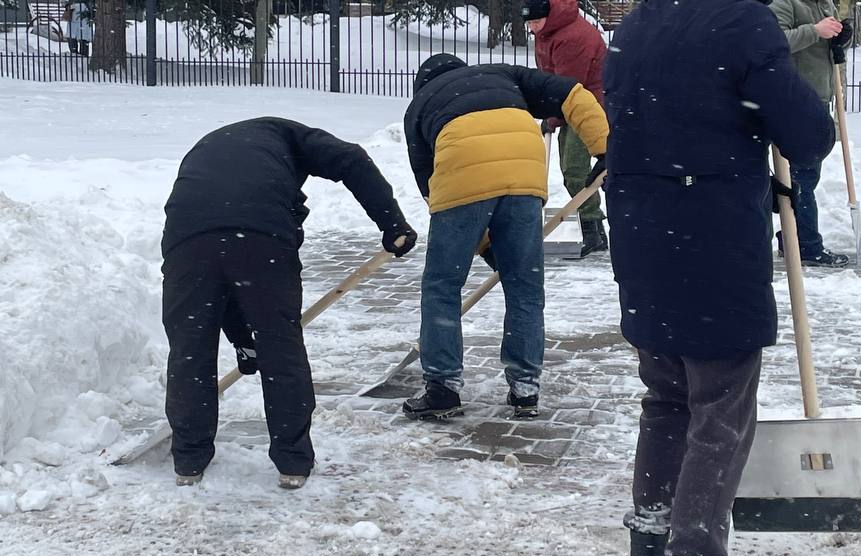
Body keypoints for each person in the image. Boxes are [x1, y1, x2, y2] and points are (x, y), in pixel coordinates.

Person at [604, 0, 835, 556]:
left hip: (644, 248)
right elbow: (805, 133)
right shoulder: (741, 21)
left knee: (666, 402)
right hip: (712, 250)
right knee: (720, 416)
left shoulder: (633, 27)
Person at [161, 117, 416, 489]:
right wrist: (393, 224)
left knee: (190, 348)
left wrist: (245, 343)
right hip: (261, 236)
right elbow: (353, 159)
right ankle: (292, 462)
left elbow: (224, 273)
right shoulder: (296, 138)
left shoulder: (214, 146)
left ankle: (189, 460)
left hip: (187, 240)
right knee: (281, 348)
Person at [403, 55, 608, 421]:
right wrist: (606, 149)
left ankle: (442, 388)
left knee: (442, 287)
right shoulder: (503, 74)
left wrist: (479, 243)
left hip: (460, 167)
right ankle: (525, 388)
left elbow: (433, 188)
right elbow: (574, 94)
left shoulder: (420, 105)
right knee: (524, 288)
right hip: (523, 168)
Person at [768, 0, 853, 268]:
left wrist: (840, 37)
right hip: (793, 99)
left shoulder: (824, 0)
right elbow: (773, 42)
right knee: (801, 176)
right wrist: (815, 31)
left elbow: (824, 42)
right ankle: (806, 245)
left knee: (807, 175)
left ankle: (791, 237)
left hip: (818, 96)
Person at [521, 0, 609, 257]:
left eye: (536, 22)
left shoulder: (572, 38)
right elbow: (551, 77)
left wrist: (552, 115)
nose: (532, 28)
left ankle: (594, 232)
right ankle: (593, 230)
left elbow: (568, 86)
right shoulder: (548, 31)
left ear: (549, 16)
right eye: (529, 23)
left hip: (591, 105)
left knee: (575, 169)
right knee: (570, 169)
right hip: (571, 105)